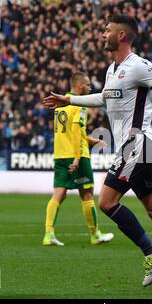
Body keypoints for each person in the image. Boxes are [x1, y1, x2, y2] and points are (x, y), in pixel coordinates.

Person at [43, 15, 152, 295]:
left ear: (121, 36)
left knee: (107, 202)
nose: (102, 34)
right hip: (130, 148)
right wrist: (68, 99)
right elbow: (103, 99)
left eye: (107, 30)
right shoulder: (112, 69)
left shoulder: (140, 66)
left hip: (138, 144)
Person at [43, 72, 114, 246]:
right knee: (87, 194)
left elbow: (71, 132)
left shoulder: (61, 104)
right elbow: (75, 132)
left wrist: (91, 140)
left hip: (60, 154)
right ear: (81, 86)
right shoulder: (79, 105)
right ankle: (95, 234)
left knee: (58, 195)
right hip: (77, 155)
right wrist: (76, 158)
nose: (90, 88)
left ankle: (48, 234)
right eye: (88, 85)